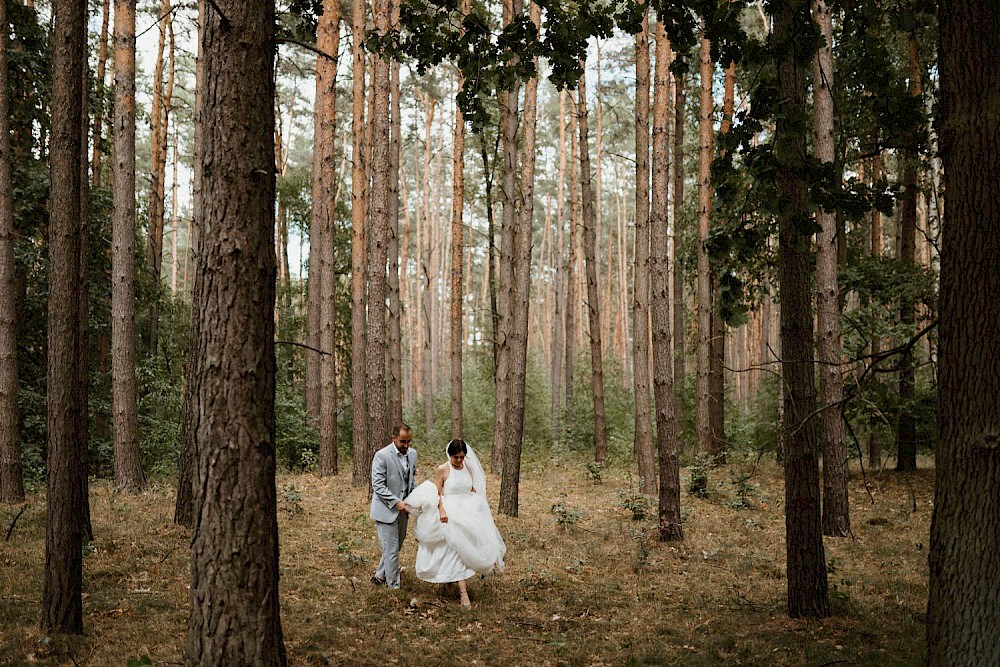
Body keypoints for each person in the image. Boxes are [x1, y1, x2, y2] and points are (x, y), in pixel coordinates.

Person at [404, 439, 506, 608]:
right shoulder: (443, 469)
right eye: (456, 457)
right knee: (455, 549)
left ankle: (449, 582)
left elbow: (471, 488)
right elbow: (436, 494)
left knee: (465, 548)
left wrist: (478, 506)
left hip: (467, 509)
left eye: (461, 457)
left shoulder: (469, 467)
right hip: (449, 510)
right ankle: (463, 593)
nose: (459, 461)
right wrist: (442, 511)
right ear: (449, 455)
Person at [370, 423, 418, 590]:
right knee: (391, 551)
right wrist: (396, 502)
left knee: (396, 546)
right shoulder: (382, 456)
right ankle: (393, 587)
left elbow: (411, 481)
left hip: (404, 510)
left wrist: (417, 497)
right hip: (386, 510)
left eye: (409, 442)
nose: (406, 446)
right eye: (403, 442)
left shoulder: (412, 455)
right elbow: (378, 485)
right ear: (393, 438)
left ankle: (378, 576)